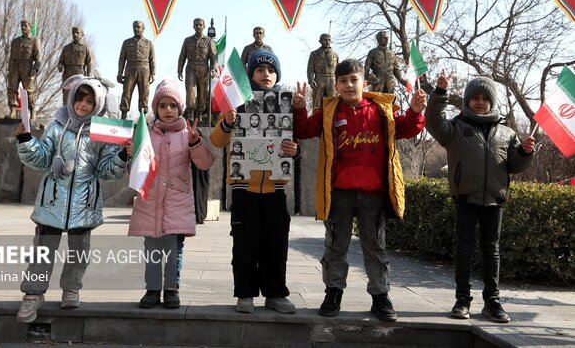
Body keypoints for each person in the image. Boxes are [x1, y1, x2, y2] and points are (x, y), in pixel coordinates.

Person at [293, 58, 427, 321]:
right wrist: (299, 109)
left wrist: (414, 110)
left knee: (375, 247)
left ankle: (380, 296)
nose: (348, 85)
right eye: (342, 81)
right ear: (336, 85)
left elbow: (408, 128)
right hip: (339, 192)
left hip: (373, 194)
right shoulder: (329, 111)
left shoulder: (381, 110)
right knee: (335, 246)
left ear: (364, 83)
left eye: (353, 80)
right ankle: (333, 293)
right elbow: (304, 129)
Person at [14, 75, 128, 323]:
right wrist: (26, 140)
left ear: (97, 104)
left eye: (89, 101)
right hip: (52, 201)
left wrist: (120, 156)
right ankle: (33, 295)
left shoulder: (102, 133)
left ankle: (71, 289)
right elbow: (42, 158)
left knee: (79, 252)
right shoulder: (57, 126)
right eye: (79, 98)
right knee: (42, 251)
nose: (83, 105)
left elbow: (106, 171)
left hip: (84, 204)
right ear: (71, 97)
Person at [425, 73, 535, 323]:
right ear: (467, 100)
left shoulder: (507, 133)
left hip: (495, 199)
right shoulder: (454, 127)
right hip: (465, 196)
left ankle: (492, 302)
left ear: (492, 102)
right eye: (475, 97)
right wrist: (439, 94)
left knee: (491, 251)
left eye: (486, 98)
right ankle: (462, 300)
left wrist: (525, 152)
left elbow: (515, 166)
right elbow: (432, 122)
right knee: (463, 249)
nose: (480, 102)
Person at [210, 49, 300, 314]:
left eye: (271, 71)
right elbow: (217, 140)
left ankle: (275, 294)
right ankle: (245, 294)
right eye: (260, 70)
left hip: (275, 186)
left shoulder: (286, 104)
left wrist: (296, 150)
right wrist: (227, 123)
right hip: (243, 186)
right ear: (250, 74)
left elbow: (296, 142)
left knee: (276, 242)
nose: (266, 74)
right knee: (245, 243)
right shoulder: (236, 102)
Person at [127, 79, 214, 310]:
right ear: (155, 108)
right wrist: (130, 154)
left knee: (174, 251)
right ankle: (152, 290)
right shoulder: (145, 133)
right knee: (153, 251)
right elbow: (133, 171)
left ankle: (172, 289)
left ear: (180, 108)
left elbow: (205, 163)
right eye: (163, 105)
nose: (168, 110)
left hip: (178, 202)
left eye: (173, 106)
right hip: (151, 202)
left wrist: (196, 143)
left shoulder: (188, 134)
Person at [177, 18, 218, 121]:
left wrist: (214, 69)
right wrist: (179, 70)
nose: (198, 26)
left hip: (204, 69)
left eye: (200, 25)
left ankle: (199, 114)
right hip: (191, 67)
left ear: (204, 26)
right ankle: (190, 113)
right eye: (196, 25)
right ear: (193, 26)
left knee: (202, 93)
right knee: (190, 91)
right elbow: (182, 56)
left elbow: (214, 57)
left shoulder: (209, 41)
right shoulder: (187, 40)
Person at [117, 20, 155, 119]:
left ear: (143, 29)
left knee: (144, 93)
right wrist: (120, 73)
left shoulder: (149, 43)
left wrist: (153, 73)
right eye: (134, 27)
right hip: (130, 68)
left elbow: (152, 60)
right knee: (126, 92)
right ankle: (123, 115)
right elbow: (122, 58)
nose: (136, 29)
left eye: (138, 27)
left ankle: (143, 116)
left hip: (144, 69)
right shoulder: (126, 42)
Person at [8, 20, 42, 120]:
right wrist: (10, 69)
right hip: (15, 66)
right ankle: (13, 110)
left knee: (29, 90)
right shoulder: (15, 41)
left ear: (30, 27)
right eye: (22, 26)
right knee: (12, 88)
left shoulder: (35, 40)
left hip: (27, 67)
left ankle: (32, 111)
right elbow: (11, 56)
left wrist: (35, 69)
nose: (23, 28)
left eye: (25, 26)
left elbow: (39, 57)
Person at [58, 26, 95, 105]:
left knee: (79, 95)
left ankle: (78, 115)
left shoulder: (85, 48)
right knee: (66, 97)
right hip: (67, 74)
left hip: (80, 73)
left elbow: (90, 64)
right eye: (73, 33)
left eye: (77, 33)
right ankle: (66, 115)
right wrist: (60, 66)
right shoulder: (66, 48)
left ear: (82, 34)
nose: (75, 34)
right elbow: (61, 61)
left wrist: (90, 78)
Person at [307, 33, 339, 110]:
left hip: (332, 80)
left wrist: (338, 82)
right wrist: (311, 80)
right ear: (320, 41)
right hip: (319, 79)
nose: (327, 42)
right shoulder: (314, 54)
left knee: (332, 103)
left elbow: (338, 70)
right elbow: (310, 69)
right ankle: (315, 120)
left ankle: (331, 120)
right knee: (317, 104)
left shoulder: (335, 55)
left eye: (329, 40)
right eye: (325, 40)